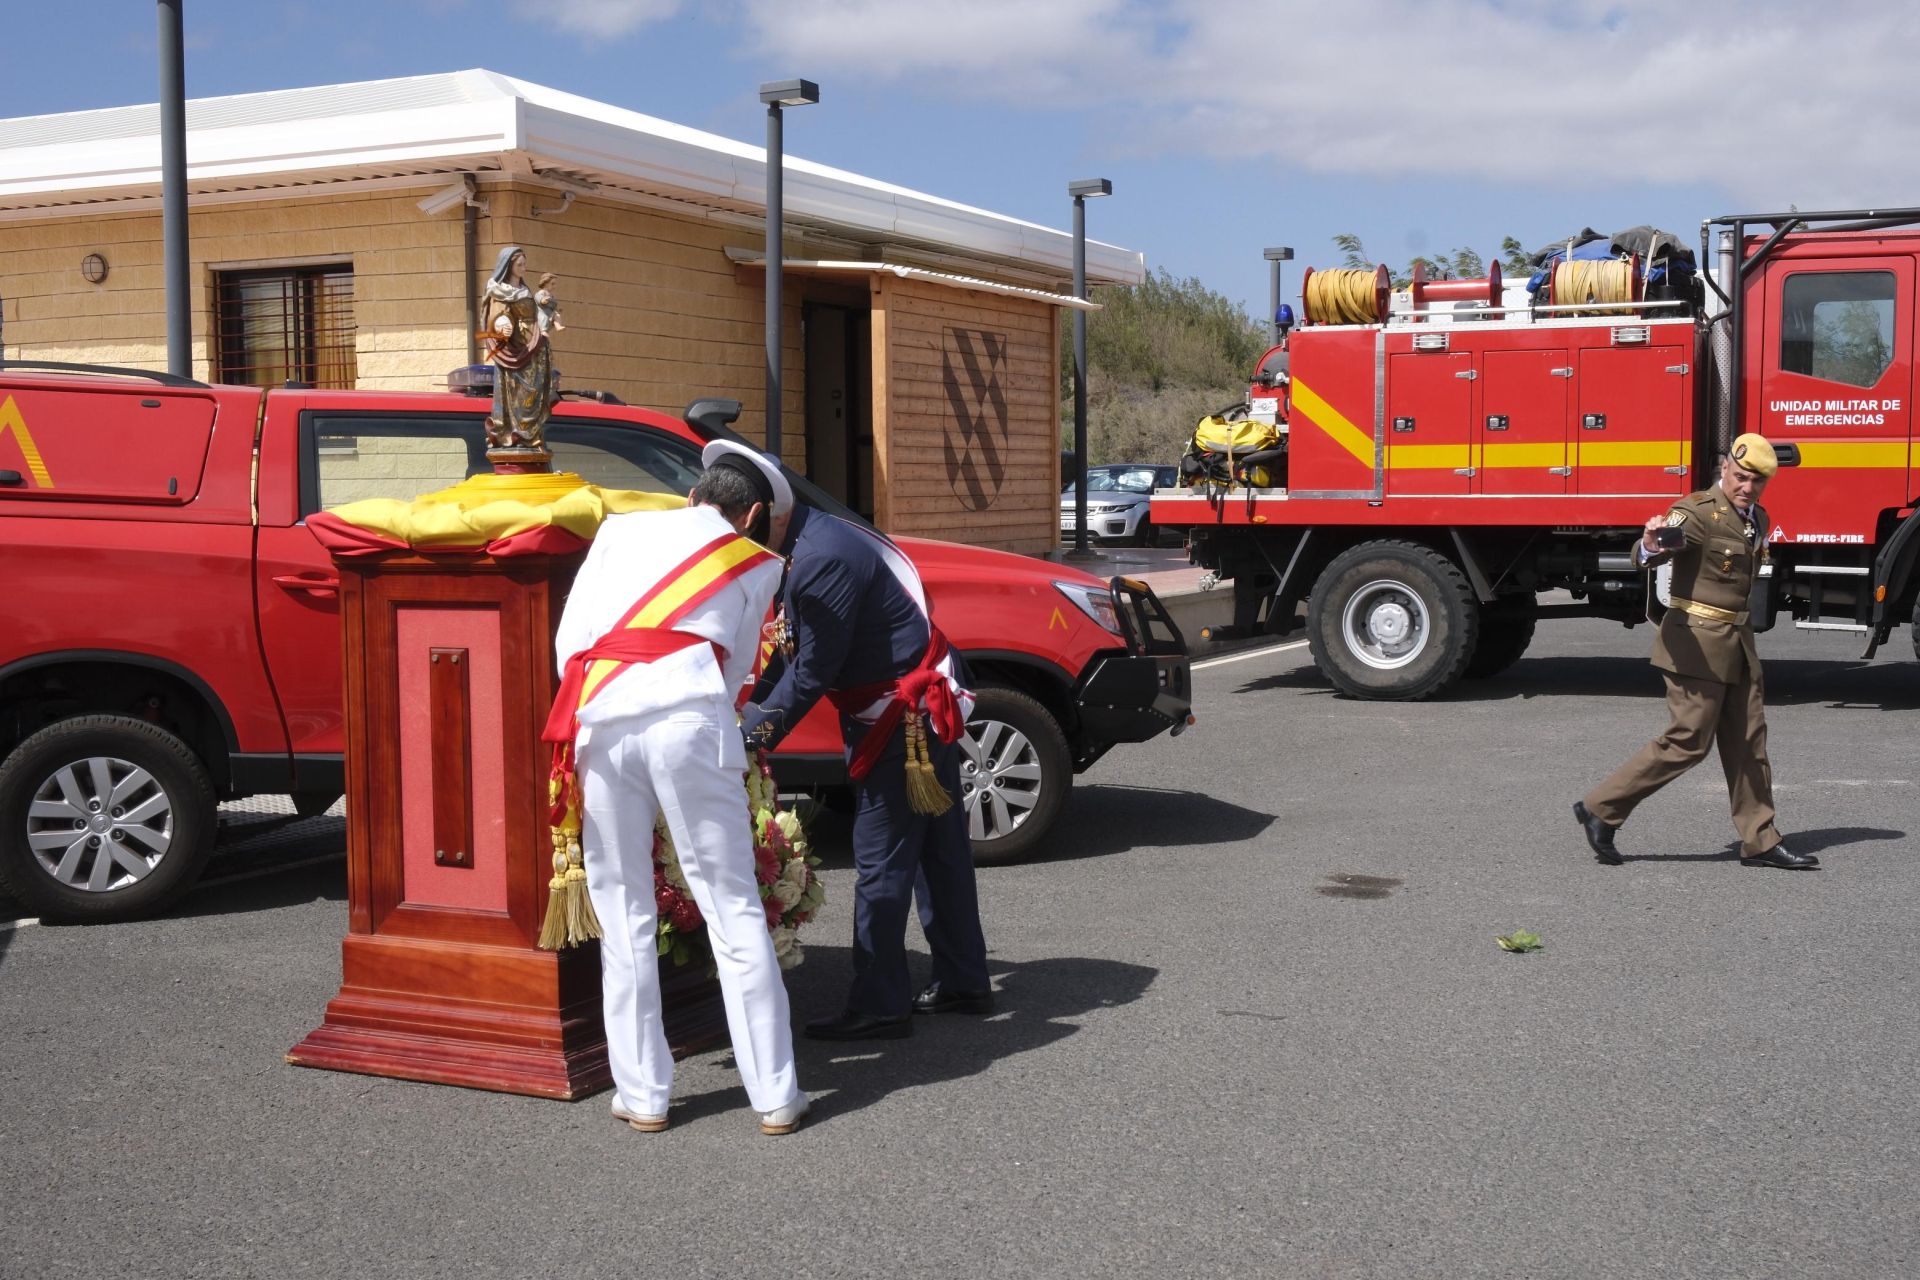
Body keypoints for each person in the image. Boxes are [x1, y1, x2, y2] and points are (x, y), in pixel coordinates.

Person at [547, 441, 810, 1134]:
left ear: (695, 492)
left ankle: (643, 1094)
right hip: (690, 717)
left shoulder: (618, 530)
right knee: (731, 907)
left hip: (600, 715)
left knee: (624, 909)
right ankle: (775, 1096)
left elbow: (569, 643)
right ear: (752, 513)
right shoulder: (754, 563)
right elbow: (737, 679)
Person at [741, 468, 993, 1040]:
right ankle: (963, 978)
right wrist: (749, 707)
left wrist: (749, 737)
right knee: (938, 851)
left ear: (760, 517)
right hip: (914, 710)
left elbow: (810, 673)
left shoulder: (817, 560)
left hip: (902, 722)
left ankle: (881, 1001)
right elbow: (789, 648)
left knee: (882, 860)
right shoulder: (811, 540)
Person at [1574, 433, 1816, 870]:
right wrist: (1651, 543)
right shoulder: (1697, 512)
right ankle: (1601, 808)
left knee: (1748, 744)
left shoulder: (1756, 518)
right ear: (1725, 467)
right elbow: (1654, 549)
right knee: (1688, 741)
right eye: (1740, 477)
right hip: (1695, 644)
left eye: (1756, 481)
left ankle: (1760, 840)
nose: (1747, 487)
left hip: (1738, 644)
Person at [480, 245, 556, 454]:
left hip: (534, 346)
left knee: (536, 388)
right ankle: (518, 433)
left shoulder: (524, 290)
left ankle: (530, 432)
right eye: (519, 264)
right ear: (509, 266)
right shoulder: (498, 291)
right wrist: (503, 325)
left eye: (524, 263)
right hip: (515, 349)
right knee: (520, 393)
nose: (524, 267)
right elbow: (497, 317)